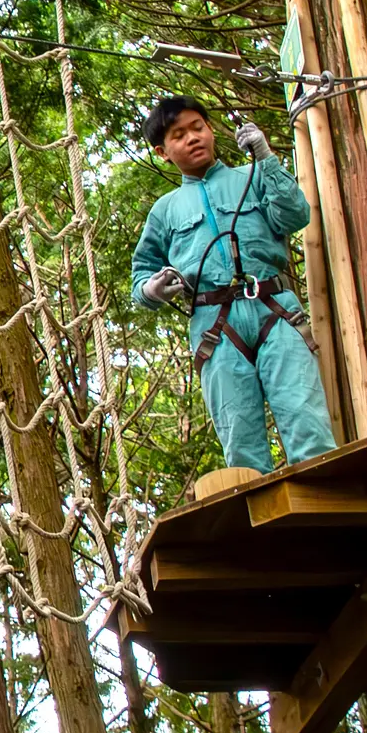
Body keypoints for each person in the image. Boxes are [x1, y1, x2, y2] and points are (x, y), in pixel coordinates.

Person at [130, 95, 336, 474]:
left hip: (275, 310)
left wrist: (267, 158)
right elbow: (140, 276)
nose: (193, 138)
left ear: (210, 131)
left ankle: (333, 518)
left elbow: (295, 215)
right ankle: (265, 531)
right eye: (179, 135)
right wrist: (153, 289)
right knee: (241, 447)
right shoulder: (165, 210)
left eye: (198, 127)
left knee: (307, 422)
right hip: (215, 328)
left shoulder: (253, 176)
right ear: (162, 152)